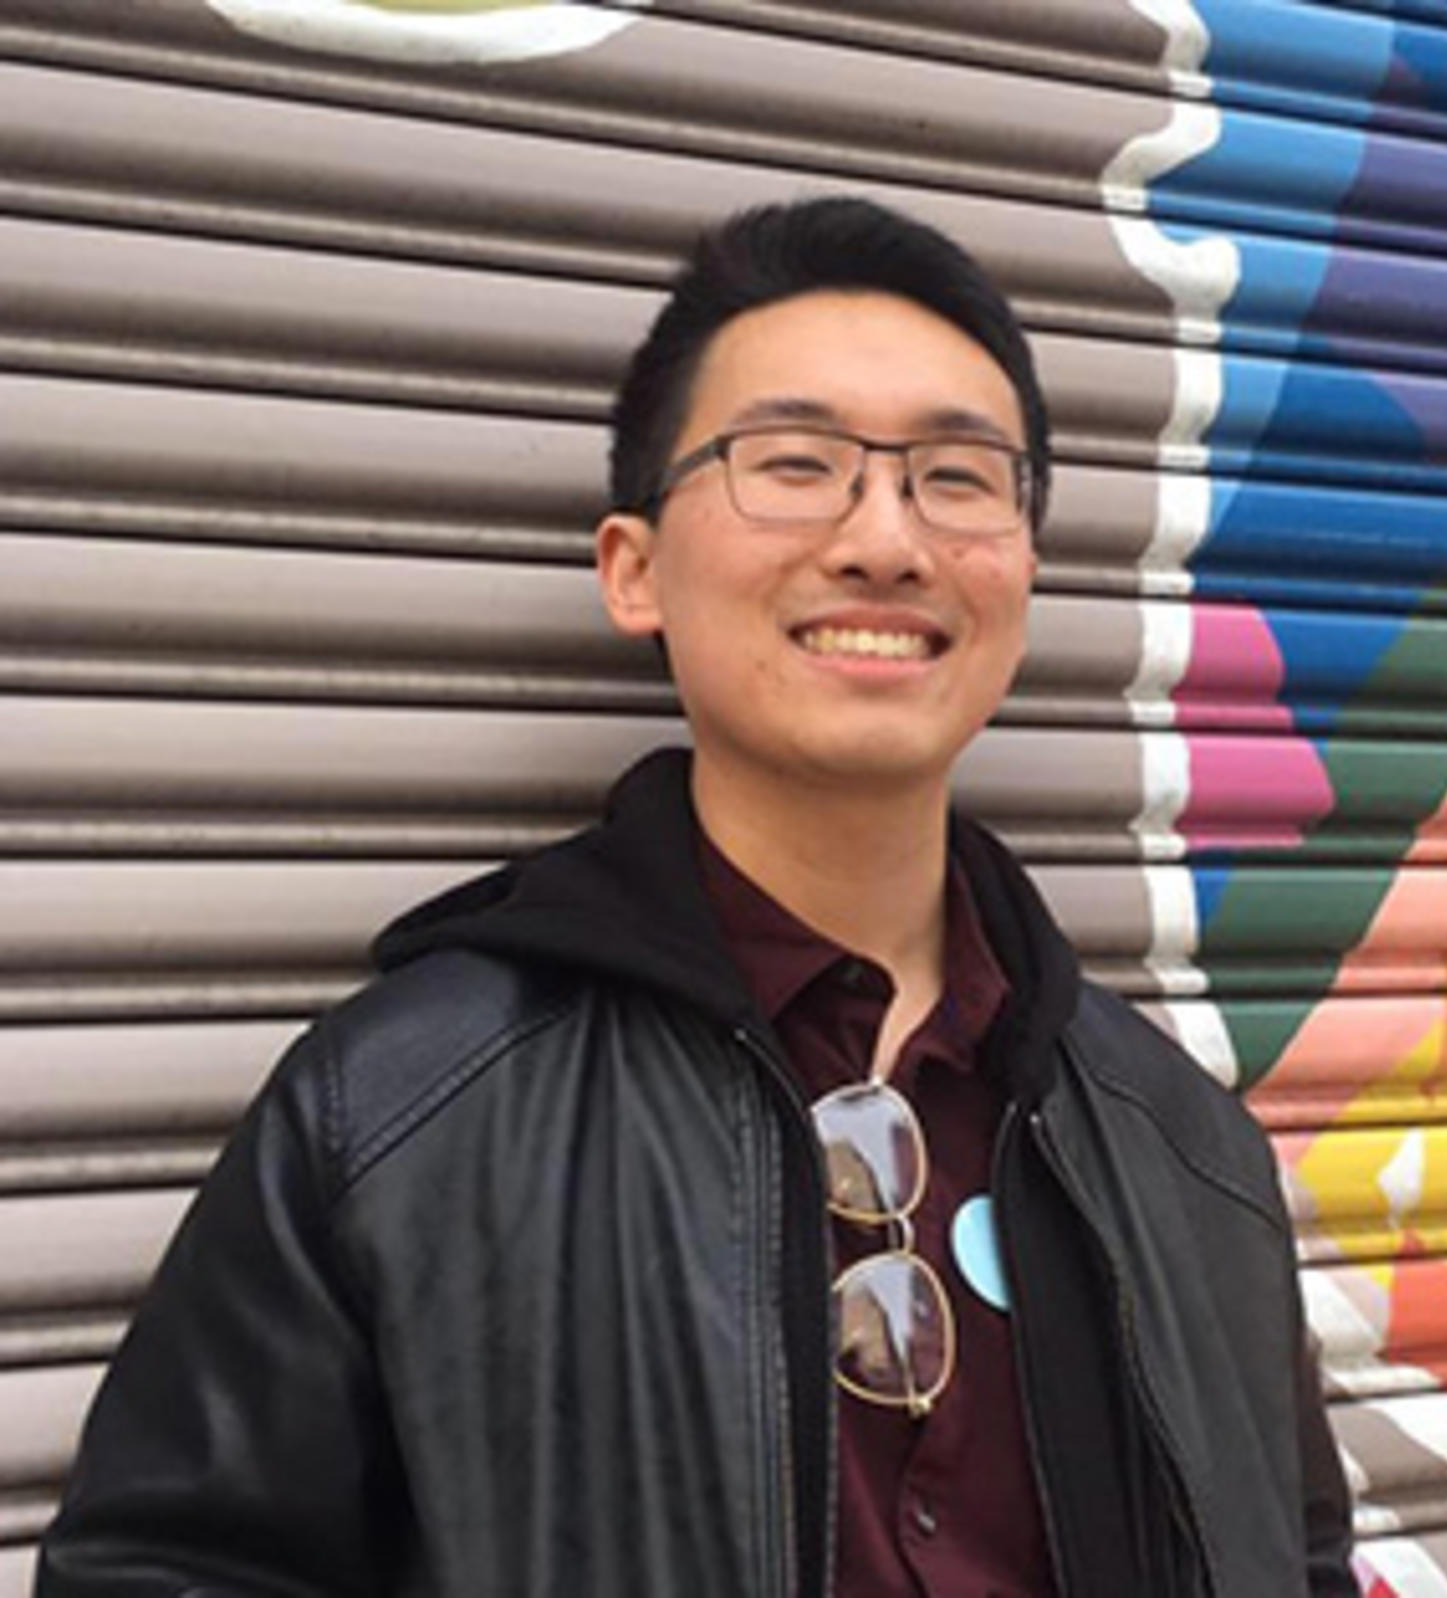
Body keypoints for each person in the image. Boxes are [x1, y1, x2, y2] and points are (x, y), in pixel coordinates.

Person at [39, 196, 1358, 1597]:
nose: (885, 537)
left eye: (958, 477)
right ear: (633, 568)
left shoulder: (1183, 1150)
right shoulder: (408, 1114)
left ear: (1025, 571)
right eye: (795, 462)